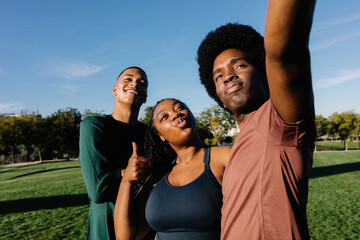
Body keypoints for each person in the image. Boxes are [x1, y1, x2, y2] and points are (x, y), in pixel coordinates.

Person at [196, 0, 317, 239]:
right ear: (219, 98)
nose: (228, 76)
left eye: (239, 65)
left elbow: (285, 51)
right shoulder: (240, 142)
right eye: (218, 76)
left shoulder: (278, 122)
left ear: (265, 74)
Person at [114, 98, 231, 240]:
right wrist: (126, 180)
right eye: (164, 117)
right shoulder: (159, 176)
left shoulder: (224, 156)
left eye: (180, 108)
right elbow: (125, 236)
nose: (176, 115)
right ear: (161, 136)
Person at [79, 66, 149, 240]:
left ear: (145, 96)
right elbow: (99, 189)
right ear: (115, 90)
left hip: (144, 228)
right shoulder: (94, 125)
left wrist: (118, 172)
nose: (135, 83)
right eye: (128, 79)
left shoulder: (150, 133)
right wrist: (132, 174)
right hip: (106, 229)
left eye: (142, 83)